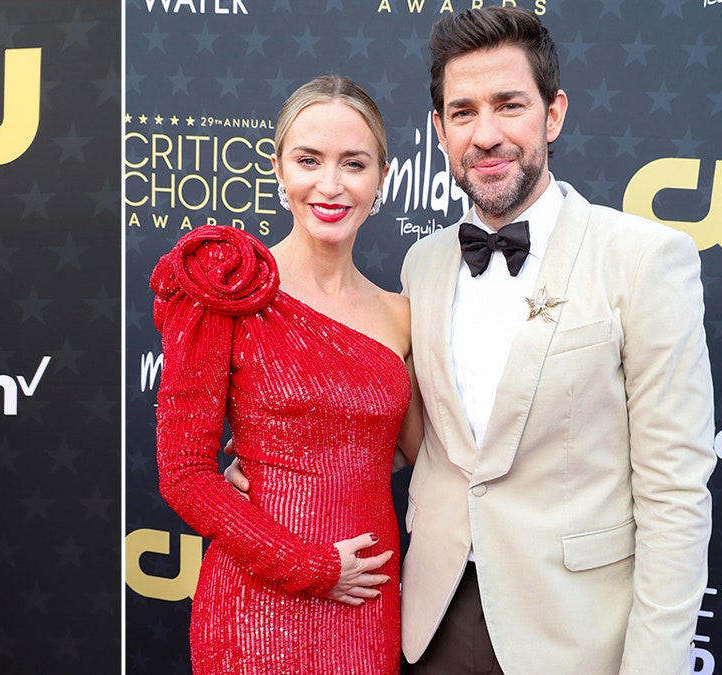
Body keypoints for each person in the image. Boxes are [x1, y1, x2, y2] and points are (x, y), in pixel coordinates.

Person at [231, 7, 714, 673]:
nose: (486, 134)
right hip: (428, 625)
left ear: (553, 114)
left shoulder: (643, 258)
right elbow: (409, 438)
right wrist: (280, 465)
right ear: (439, 130)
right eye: (462, 112)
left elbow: (676, 497)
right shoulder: (421, 267)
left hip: (576, 638)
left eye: (509, 105)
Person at [150, 75, 422, 674]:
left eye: (354, 163)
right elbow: (184, 475)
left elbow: (426, 458)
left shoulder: (403, 314)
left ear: (381, 178)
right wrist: (310, 565)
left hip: (366, 605)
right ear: (277, 169)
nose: (330, 185)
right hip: (256, 611)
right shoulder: (228, 285)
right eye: (308, 160)